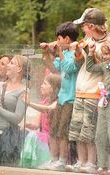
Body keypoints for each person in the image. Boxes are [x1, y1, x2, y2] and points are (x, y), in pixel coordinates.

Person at [66, 8, 110, 174]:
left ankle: (92, 163)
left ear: (91, 26)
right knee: (77, 130)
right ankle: (81, 161)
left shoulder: (107, 43)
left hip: (95, 93)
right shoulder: (86, 39)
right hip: (80, 90)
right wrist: (78, 51)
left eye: (83, 25)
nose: (82, 29)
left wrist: (89, 51)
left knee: (89, 131)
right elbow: (80, 64)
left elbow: (102, 68)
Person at [40, 21, 80, 171]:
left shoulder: (76, 53)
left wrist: (59, 52)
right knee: (54, 130)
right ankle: (53, 159)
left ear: (67, 39)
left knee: (63, 132)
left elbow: (69, 68)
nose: (57, 42)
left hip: (71, 98)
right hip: (61, 98)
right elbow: (53, 69)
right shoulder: (63, 52)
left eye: (59, 39)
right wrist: (46, 53)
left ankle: (62, 160)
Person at [0, 54, 30, 166]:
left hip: (5, 139)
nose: (8, 65)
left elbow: (17, 118)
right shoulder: (0, 85)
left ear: (19, 69)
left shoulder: (24, 91)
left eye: (12, 63)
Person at [20, 73, 61, 169]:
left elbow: (47, 109)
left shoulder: (59, 102)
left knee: (33, 135)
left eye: (45, 83)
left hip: (54, 140)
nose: (41, 86)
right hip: (44, 138)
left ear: (53, 87)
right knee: (31, 134)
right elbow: (36, 125)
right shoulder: (43, 102)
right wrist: (27, 124)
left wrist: (29, 103)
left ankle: (46, 162)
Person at [86, 41, 110, 175]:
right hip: (104, 103)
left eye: (108, 54)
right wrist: (91, 53)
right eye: (104, 54)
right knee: (100, 135)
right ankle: (102, 165)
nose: (106, 56)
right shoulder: (105, 66)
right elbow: (90, 68)